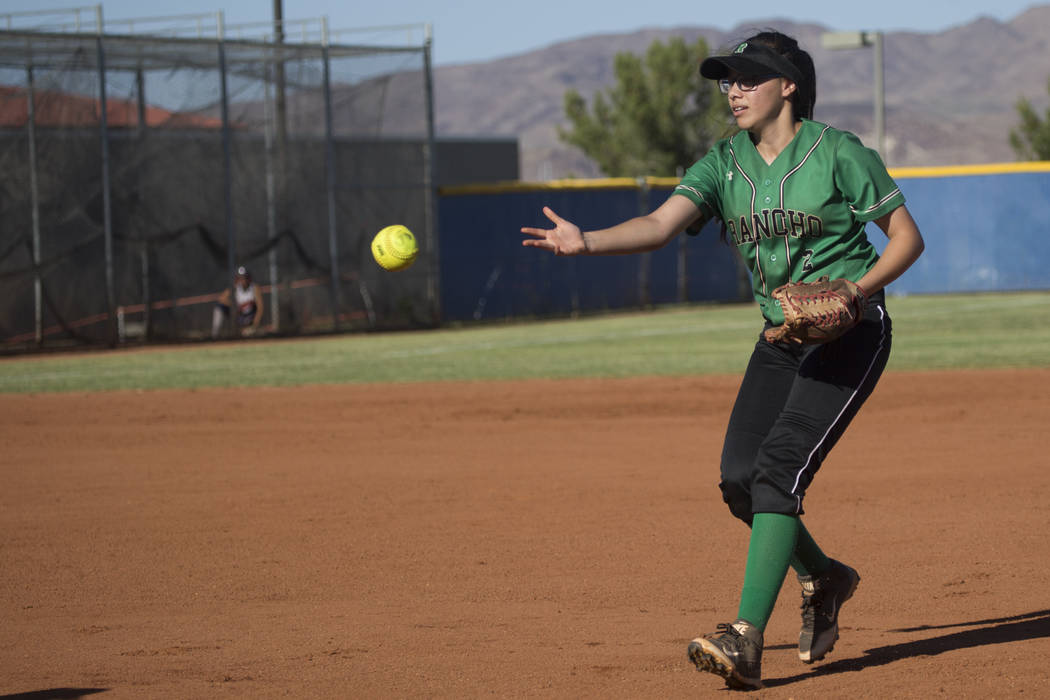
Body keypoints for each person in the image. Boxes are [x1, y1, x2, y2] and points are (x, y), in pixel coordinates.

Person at [521, 30, 924, 690]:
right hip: (780, 340)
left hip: (850, 336)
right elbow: (658, 225)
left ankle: (744, 636)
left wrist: (856, 289)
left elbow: (908, 238)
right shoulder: (724, 163)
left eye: (747, 77)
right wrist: (584, 241)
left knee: (777, 469)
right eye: (726, 79)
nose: (732, 89)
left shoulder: (838, 153)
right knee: (741, 479)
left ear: (787, 85)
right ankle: (823, 577)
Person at [211, 265, 264, 339]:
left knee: (249, 334)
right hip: (238, 316)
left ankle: (249, 331)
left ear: (248, 278)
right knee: (219, 308)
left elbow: (260, 308)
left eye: (244, 277)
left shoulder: (254, 288)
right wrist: (234, 305)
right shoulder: (235, 287)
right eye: (240, 278)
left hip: (249, 317)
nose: (243, 280)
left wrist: (254, 325)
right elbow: (221, 298)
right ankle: (214, 335)